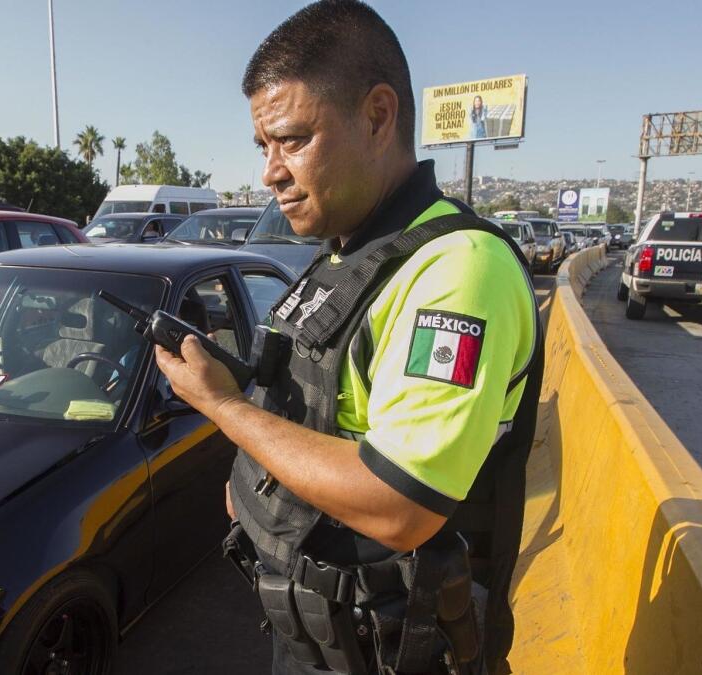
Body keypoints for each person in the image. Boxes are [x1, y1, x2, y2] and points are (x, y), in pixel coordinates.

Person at [154, 2, 543, 674]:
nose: (270, 172)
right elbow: (313, 414)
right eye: (263, 146)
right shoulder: (348, 254)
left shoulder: (456, 270)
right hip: (316, 637)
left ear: (377, 116)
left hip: (399, 649)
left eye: (294, 138)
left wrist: (224, 406)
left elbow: (401, 504)